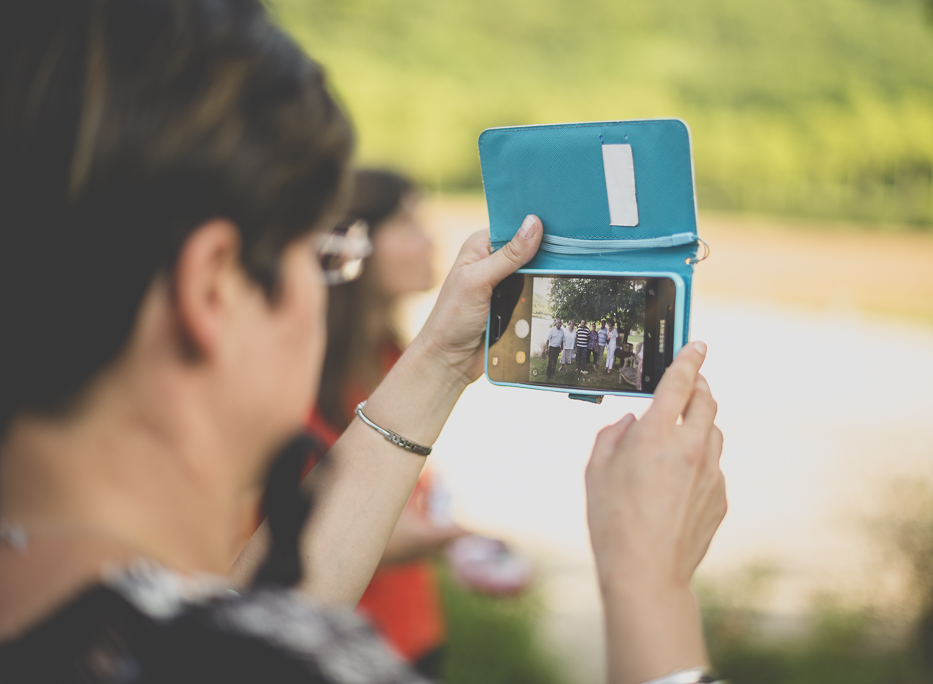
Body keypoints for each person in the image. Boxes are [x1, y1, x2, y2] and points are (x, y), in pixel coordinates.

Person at [0, 3, 727, 684]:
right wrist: (648, 587)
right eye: (324, 257)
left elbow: (248, 619)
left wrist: (439, 363)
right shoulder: (290, 662)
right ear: (214, 289)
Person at [312, 169, 460, 680]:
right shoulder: (311, 373)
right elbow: (311, 520)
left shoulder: (395, 355)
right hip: (343, 644)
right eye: (407, 222)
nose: (429, 240)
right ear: (354, 241)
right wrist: (453, 537)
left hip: (414, 632)